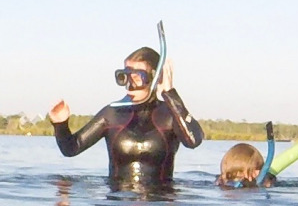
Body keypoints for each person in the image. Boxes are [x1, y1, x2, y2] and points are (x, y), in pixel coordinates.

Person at [48, 45, 204, 190]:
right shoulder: (112, 113)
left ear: (156, 77)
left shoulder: (170, 114)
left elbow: (193, 140)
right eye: (124, 77)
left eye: (137, 77)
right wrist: (60, 124)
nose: (130, 84)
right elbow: (71, 148)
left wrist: (170, 94)